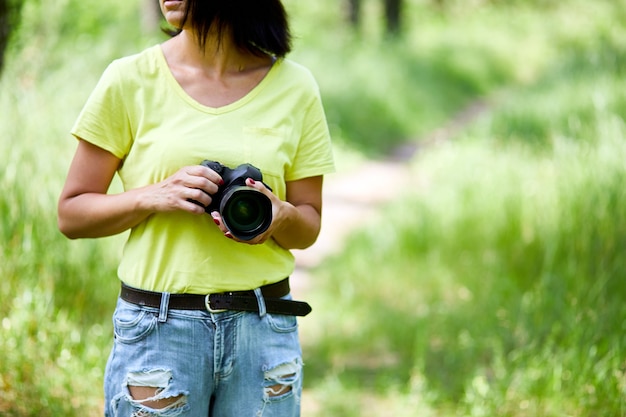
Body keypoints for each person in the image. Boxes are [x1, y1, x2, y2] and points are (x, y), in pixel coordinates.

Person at [57, 0, 335, 415]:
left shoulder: (295, 86)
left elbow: (308, 226)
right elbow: (71, 213)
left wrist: (280, 214)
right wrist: (153, 196)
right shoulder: (129, 79)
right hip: (158, 330)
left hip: (263, 330)